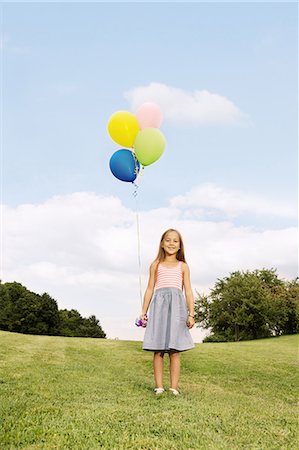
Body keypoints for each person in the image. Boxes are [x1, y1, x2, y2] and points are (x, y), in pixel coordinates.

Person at [141, 229, 195, 395]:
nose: (171, 243)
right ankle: (159, 386)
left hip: (177, 309)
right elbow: (150, 288)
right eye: (168, 240)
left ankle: (173, 388)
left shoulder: (183, 266)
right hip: (159, 308)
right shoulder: (155, 265)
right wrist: (144, 311)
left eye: (175, 241)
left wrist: (191, 314)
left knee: (174, 350)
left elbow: (188, 291)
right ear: (162, 244)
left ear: (180, 246)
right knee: (158, 349)